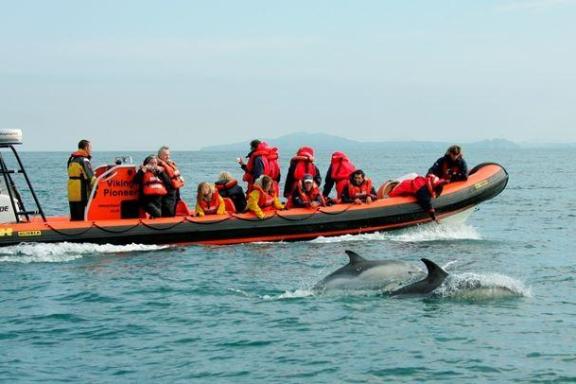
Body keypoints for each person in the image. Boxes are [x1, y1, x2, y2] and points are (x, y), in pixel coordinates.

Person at [67, 139, 96, 221]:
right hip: (81, 192)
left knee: (74, 216)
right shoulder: (84, 160)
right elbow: (92, 178)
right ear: (86, 148)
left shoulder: (71, 159)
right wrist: (97, 188)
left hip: (71, 190)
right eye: (90, 147)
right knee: (81, 217)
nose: (91, 150)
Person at [156, 146, 185, 217]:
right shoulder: (158, 166)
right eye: (165, 155)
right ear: (160, 156)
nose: (168, 156)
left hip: (174, 194)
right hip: (166, 196)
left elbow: (175, 177)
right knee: (168, 213)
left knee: (172, 212)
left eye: (168, 155)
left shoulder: (170, 165)